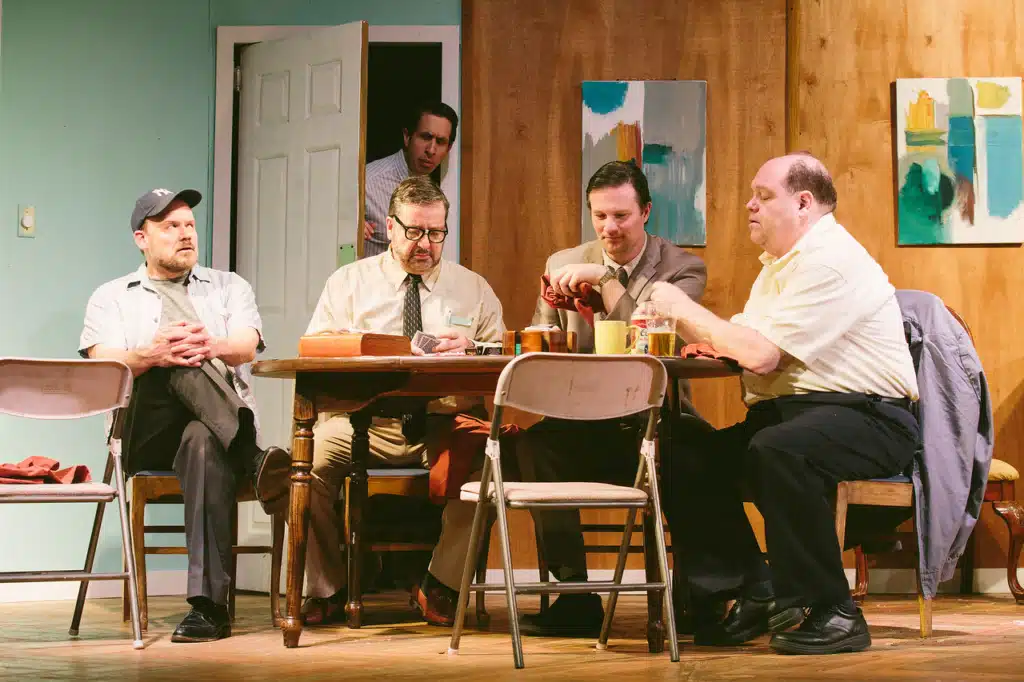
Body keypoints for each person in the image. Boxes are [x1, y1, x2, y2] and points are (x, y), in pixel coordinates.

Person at [651, 152, 919, 655]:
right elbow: (749, 342)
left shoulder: (830, 261)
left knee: (780, 449)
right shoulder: (779, 268)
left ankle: (834, 611)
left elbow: (760, 354)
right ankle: (752, 588)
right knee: (683, 449)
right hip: (797, 416)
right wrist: (715, 341)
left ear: (803, 203)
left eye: (763, 196)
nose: (749, 206)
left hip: (870, 418)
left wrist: (680, 308)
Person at [79, 188, 290, 643]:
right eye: (170, 226)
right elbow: (103, 361)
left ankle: (208, 611)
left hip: (211, 428)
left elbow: (246, 345)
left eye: (189, 225)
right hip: (144, 430)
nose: (185, 234)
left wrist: (210, 344)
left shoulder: (229, 286)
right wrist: (152, 354)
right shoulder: (112, 296)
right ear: (142, 238)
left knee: (203, 440)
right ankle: (254, 459)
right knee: (174, 355)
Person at [302, 175, 505, 627]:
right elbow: (314, 351)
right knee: (309, 464)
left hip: (444, 421)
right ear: (390, 226)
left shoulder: (473, 287)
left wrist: (473, 348)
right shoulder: (348, 283)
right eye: (414, 231)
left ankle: (441, 584)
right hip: (362, 422)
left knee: (490, 468)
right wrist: (360, 346)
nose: (425, 244)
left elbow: (502, 356)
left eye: (436, 233)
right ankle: (327, 588)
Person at [518, 160, 707, 637]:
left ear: (646, 212)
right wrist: (549, 337)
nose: (609, 228)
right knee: (534, 446)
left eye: (621, 216)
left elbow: (653, 341)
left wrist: (604, 283)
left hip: (655, 420)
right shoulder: (562, 262)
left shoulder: (682, 268)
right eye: (599, 216)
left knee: (694, 452)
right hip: (584, 417)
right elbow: (543, 340)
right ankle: (574, 596)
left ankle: (695, 595)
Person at [363, 101, 458, 258]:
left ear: (448, 148)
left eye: (440, 142)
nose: (431, 150)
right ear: (407, 137)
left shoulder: (446, 189)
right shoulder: (367, 182)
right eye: (426, 137)